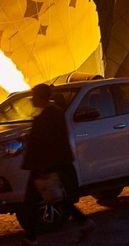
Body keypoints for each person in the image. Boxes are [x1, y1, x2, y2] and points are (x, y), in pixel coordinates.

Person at [21, 83, 96, 246]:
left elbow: (47, 142)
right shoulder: (54, 113)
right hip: (47, 164)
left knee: (32, 202)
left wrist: (43, 168)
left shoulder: (47, 117)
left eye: (34, 96)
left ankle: (31, 238)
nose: (32, 99)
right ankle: (83, 222)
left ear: (40, 97)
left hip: (43, 166)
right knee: (54, 199)